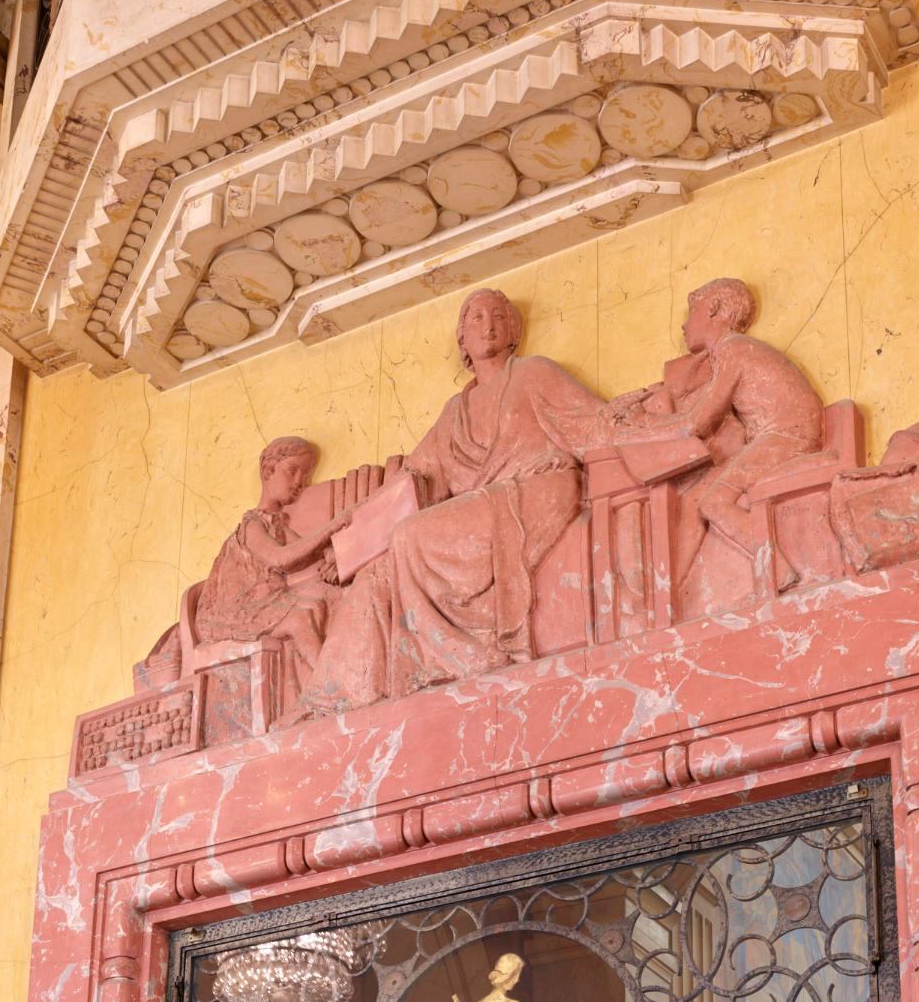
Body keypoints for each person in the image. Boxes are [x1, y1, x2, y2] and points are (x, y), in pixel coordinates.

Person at [303, 289, 612, 711]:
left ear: (513, 330)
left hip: (538, 493)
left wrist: (659, 419)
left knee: (409, 537)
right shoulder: (455, 411)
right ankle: (332, 697)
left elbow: (592, 421)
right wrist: (348, 546)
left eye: (499, 317)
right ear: (461, 339)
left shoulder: (534, 373)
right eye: (476, 318)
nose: (488, 325)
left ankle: (458, 657)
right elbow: (414, 477)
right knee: (377, 573)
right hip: (487, 504)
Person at [604, 278, 825, 584]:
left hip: (786, 437)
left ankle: (777, 570)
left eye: (691, 311)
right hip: (775, 437)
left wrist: (639, 427)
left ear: (715, 310)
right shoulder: (729, 352)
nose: (684, 325)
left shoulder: (734, 349)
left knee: (713, 501)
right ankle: (678, 584)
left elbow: (697, 423)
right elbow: (696, 418)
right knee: (700, 492)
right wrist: (645, 423)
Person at [194, 435, 342, 696]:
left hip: (266, 603)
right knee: (300, 619)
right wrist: (335, 524)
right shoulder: (253, 524)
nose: (300, 482)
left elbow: (309, 553)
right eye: (292, 471)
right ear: (267, 471)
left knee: (318, 604)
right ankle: (329, 688)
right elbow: (281, 558)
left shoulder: (277, 525)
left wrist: (334, 559)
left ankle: (305, 690)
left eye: (305, 475)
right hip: (234, 610)